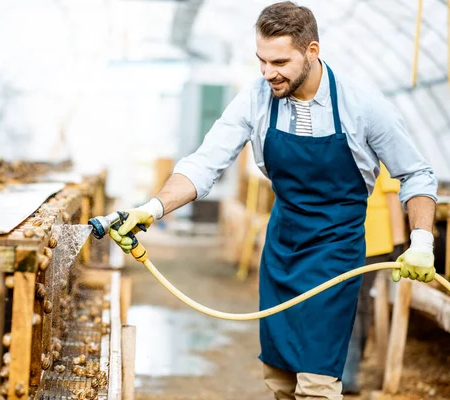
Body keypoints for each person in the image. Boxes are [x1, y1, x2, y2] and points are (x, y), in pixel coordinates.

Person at [109, 2, 438, 399]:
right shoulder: (257, 98)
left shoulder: (362, 105)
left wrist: (422, 242)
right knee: (278, 378)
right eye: (261, 61)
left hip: (336, 253)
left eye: (279, 61)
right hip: (282, 248)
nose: (268, 73)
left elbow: (416, 173)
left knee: (317, 381)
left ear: (312, 52)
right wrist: (152, 208)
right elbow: (205, 163)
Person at [341, 164, 406, 394]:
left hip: (372, 241)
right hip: (348, 238)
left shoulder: (381, 153)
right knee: (360, 304)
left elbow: (392, 198)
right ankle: (351, 364)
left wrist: (399, 241)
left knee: (353, 304)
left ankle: (348, 373)